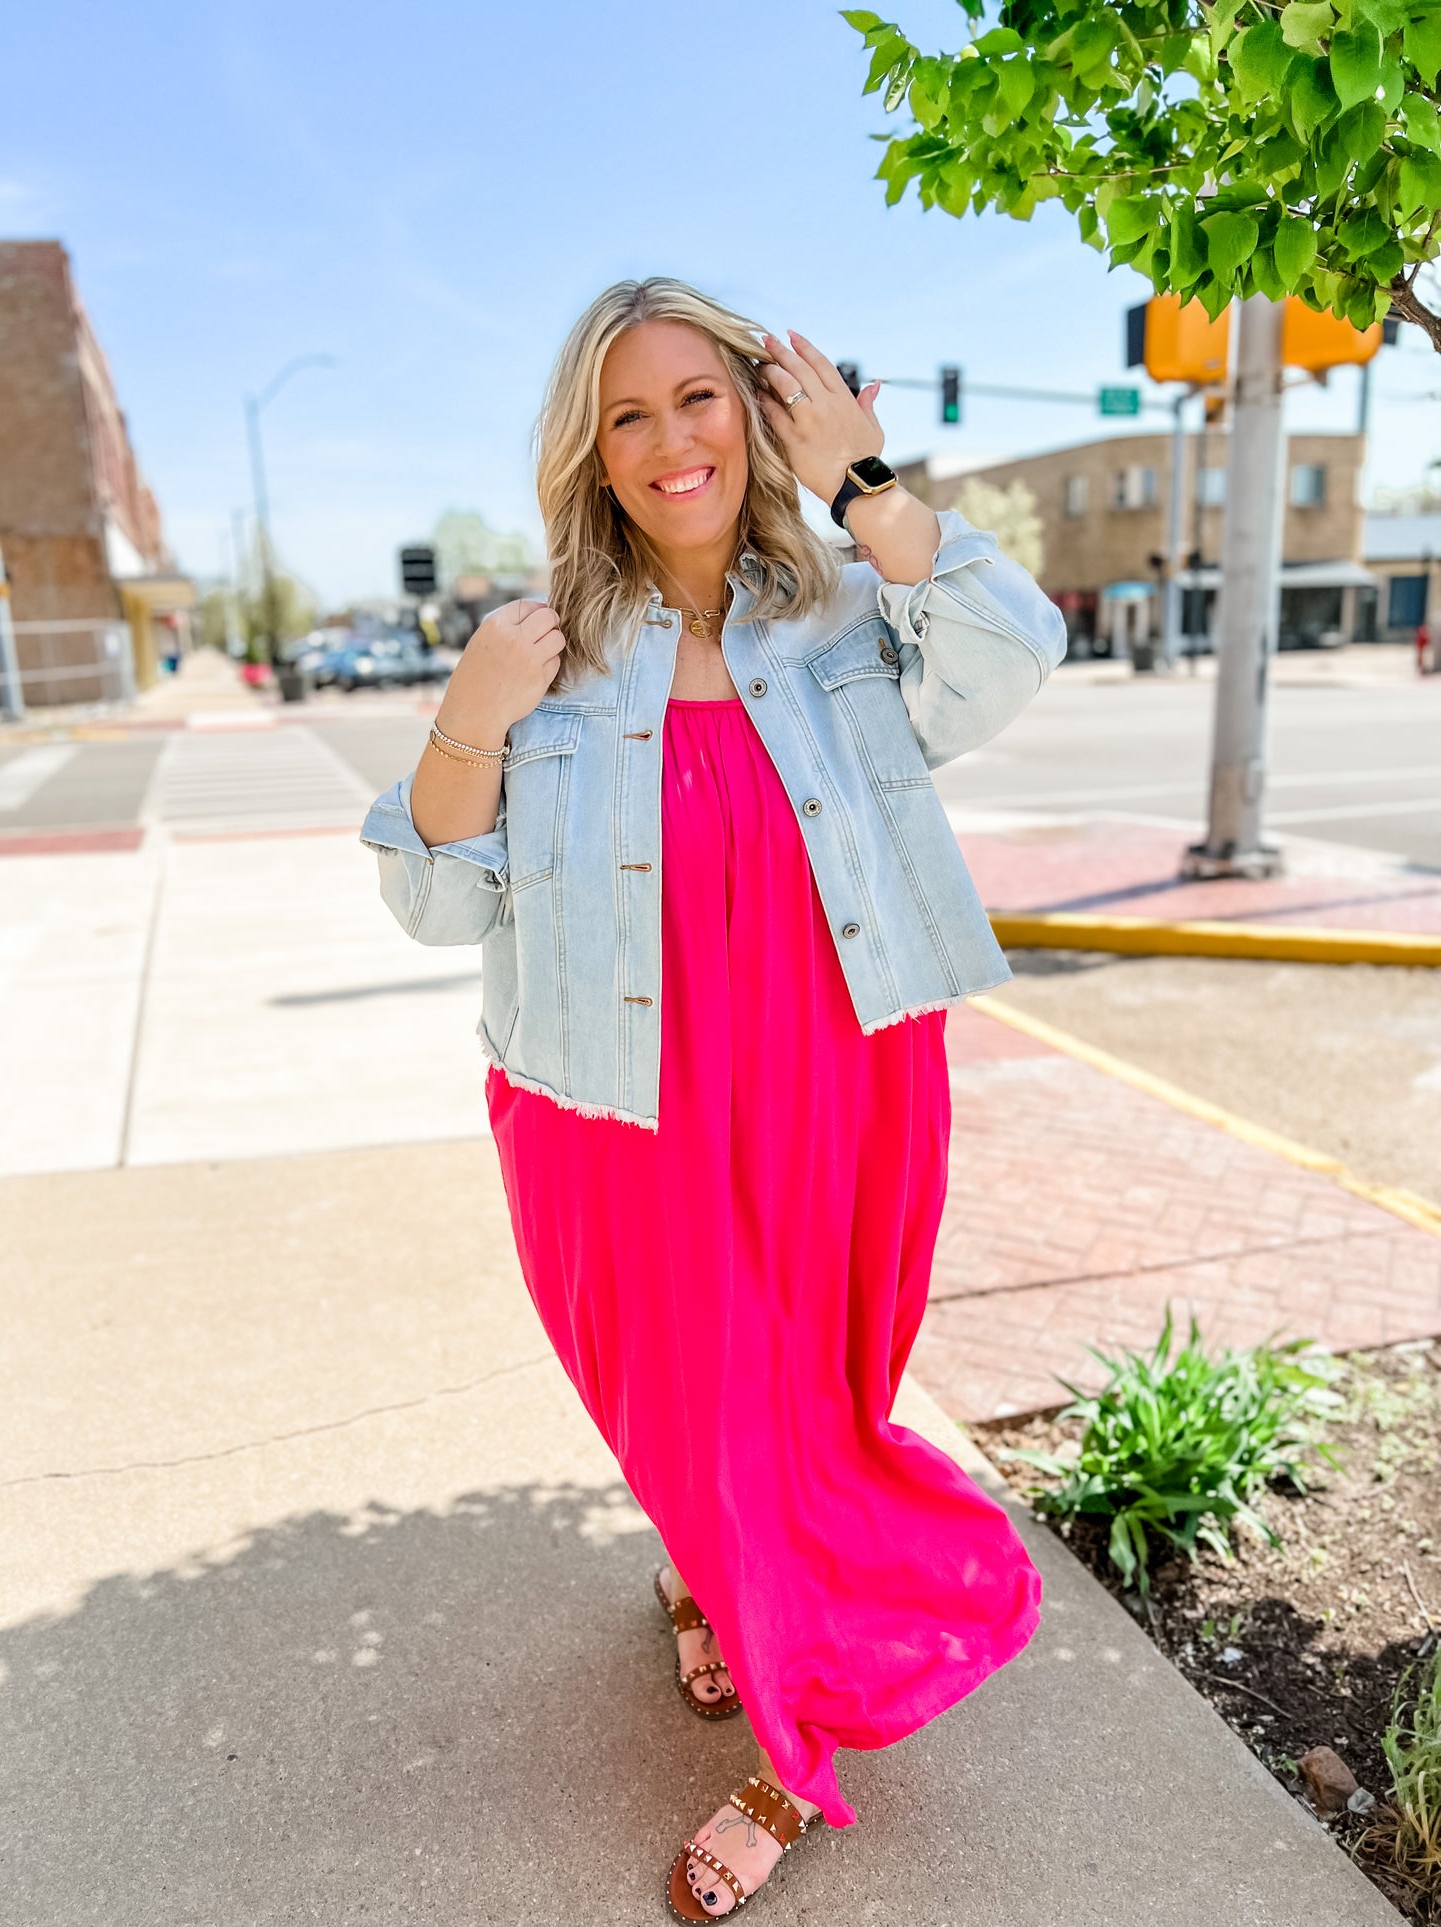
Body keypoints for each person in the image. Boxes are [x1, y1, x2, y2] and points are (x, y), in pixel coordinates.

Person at [360, 277, 1064, 1918]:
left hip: (842, 1075)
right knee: (692, 1407)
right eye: (628, 413)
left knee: (804, 1410)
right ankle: (740, 1634)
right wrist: (464, 727)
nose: (672, 439)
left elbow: (1007, 660)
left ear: (754, 411)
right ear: (588, 455)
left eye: (699, 397)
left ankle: (785, 1736)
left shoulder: (838, 606)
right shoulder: (547, 648)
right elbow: (439, 904)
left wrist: (870, 483)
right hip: (617, 1105)